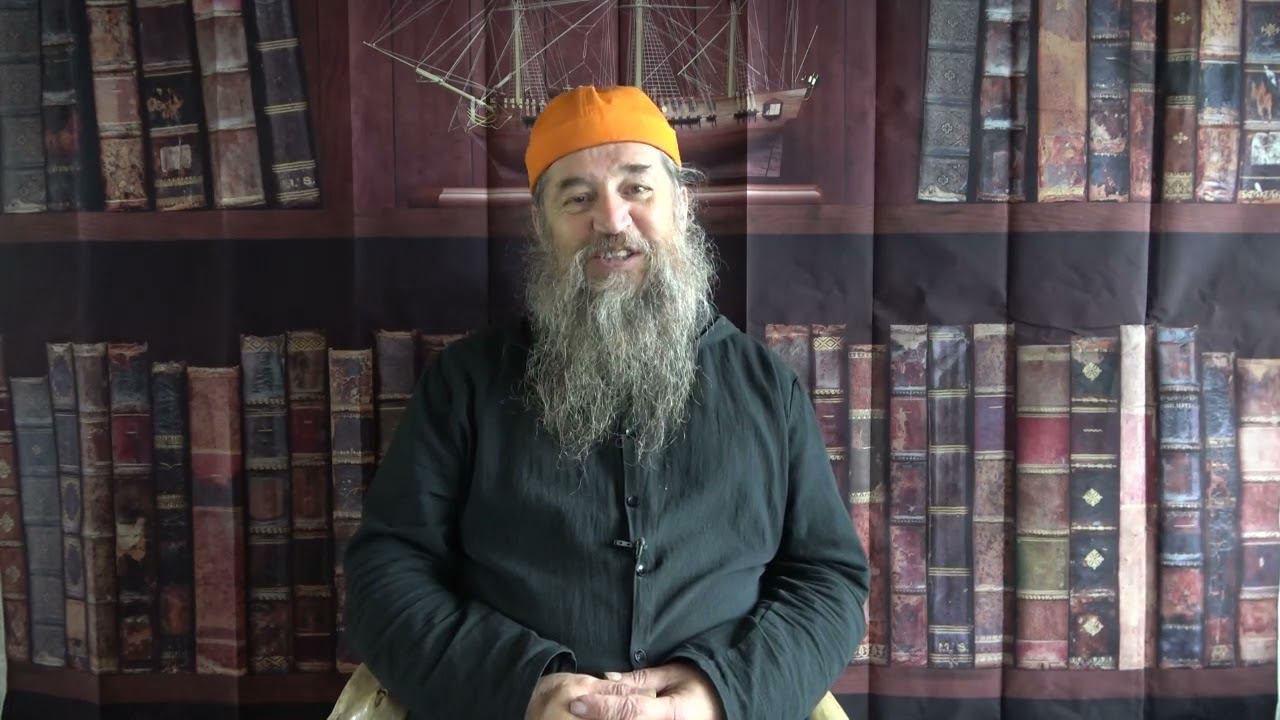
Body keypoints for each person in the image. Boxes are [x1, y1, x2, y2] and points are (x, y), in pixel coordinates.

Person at [343, 85, 869, 720]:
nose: (612, 221)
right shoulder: (464, 383)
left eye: (636, 188)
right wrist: (525, 690)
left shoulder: (767, 387)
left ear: (681, 205)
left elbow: (827, 581)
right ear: (542, 224)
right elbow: (386, 573)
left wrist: (716, 694)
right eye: (577, 198)